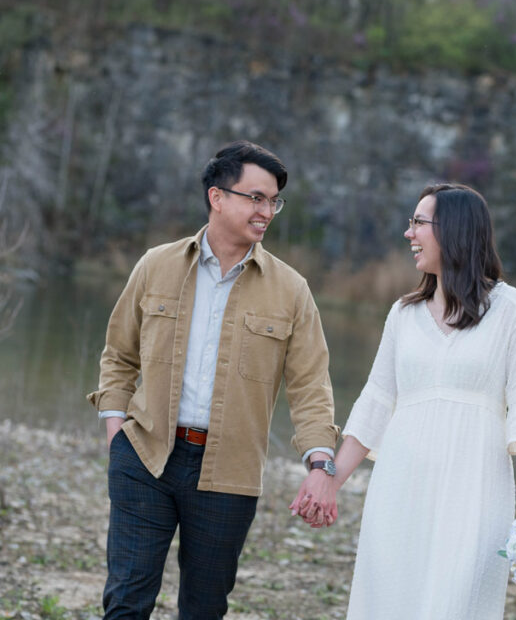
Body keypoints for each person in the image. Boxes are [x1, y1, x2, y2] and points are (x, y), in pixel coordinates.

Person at [89, 140, 340, 620]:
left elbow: (311, 387)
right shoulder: (155, 265)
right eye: (256, 197)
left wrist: (319, 461)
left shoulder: (292, 291)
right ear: (217, 197)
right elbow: (119, 354)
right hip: (144, 457)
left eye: (273, 201)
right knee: (125, 601)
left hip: (230, 472)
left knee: (204, 609)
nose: (266, 211)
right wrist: (115, 429)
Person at [291, 181, 516, 620]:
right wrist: (330, 481)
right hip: (400, 483)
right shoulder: (403, 313)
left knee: (458, 602)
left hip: (475, 487)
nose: (408, 233)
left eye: (418, 223)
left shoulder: (514, 310)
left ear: (454, 230)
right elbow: (376, 401)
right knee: (390, 597)